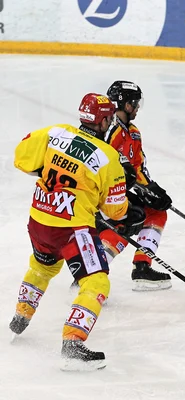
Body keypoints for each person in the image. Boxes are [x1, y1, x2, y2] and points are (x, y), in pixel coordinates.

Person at [9, 93, 145, 371]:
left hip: (39, 220)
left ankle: (21, 315)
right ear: (105, 119)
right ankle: (72, 342)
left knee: (42, 267)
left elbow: (22, 158)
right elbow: (116, 211)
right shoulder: (108, 156)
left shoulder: (54, 132)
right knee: (97, 282)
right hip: (72, 230)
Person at [97, 81, 174, 290]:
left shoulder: (133, 132)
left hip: (117, 194)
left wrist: (152, 189)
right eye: (135, 103)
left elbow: (137, 167)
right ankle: (90, 275)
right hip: (100, 197)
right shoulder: (108, 130)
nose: (138, 107)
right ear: (125, 104)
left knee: (155, 212)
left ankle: (142, 267)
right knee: (125, 221)